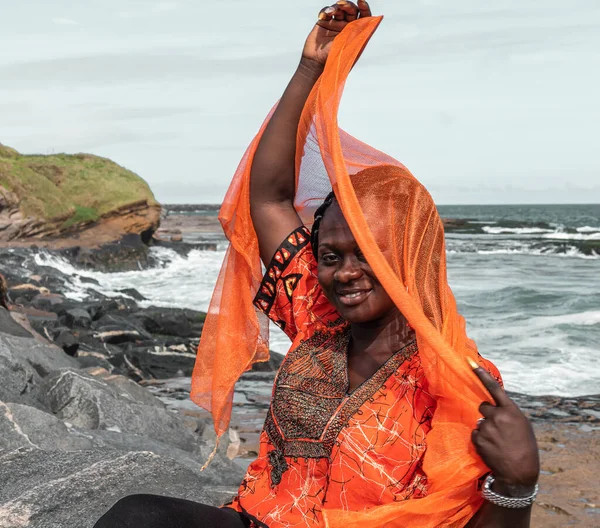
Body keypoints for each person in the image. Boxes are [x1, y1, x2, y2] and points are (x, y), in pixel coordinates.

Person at [95, 2, 539, 527]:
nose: (345, 273)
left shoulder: (457, 381)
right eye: (330, 256)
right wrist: (312, 70)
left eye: (368, 255)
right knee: (138, 515)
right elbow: (269, 198)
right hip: (261, 521)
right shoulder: (315, 316)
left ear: (411, 256)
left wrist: (516, 484)